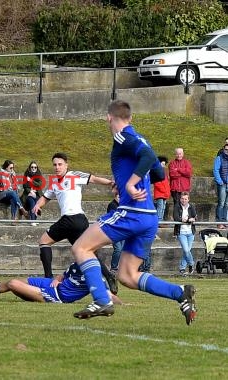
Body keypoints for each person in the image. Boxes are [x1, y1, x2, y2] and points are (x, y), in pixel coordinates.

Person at [70, 100, 196, 326]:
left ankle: (100, 300)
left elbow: (148, 158)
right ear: (131, 118)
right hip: (148, 216)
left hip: (132, 212)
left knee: (81, 247)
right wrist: (124, 181)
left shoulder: (121, 137)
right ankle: (181, 293)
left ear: (109, 117)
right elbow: (158, 173)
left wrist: (130, 184)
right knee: (127, 275)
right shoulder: (140, 138)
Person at [32, 152, 114, 283]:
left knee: (44, 241)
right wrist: (38, 205)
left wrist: (110, 183)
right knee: (87, 251)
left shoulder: (73, 175)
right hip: (79, 222)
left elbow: (93, 179)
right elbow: (46, 197)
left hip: (71, 218)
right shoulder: (54, 183)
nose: (57, 167)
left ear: (66, 165)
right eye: (55, 165)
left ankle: (48, 278)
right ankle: (109, 276)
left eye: (60, 164)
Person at [0, 262, 122, 305]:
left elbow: (107, 295)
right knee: (20, 279)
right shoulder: (77, 263)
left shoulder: (93, 275)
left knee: (12, 284)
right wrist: (56, 280)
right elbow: (63, 275)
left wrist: (123, 304)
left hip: (57, 296)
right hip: (53, 285)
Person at [173, 192, 197, 276]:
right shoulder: (177, 206)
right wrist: (187, 220)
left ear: (188, 199)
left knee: (186, 251)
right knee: (186, 250)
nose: (184, 200)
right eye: (182, 198)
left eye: (185, 199)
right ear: (180, 199)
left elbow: (194, 217)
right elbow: (176, 218)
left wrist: (191, 219)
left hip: (190, 232)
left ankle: (182, 268)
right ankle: (191, 264)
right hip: (181, 232)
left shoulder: (191, 207)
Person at [106, 184, 123, 273]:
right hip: (114, 231)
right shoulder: (112, 205)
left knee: (122, 249)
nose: (120, 198)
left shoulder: (123, 206)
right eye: (119, 196)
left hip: (122, 231)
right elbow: (111, 218)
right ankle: (113, 267)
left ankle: (119, 267)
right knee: (118, 249)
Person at [213, 143, 228, 230]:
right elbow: (215, 170)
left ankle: (225, 221)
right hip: (222, 184)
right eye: (226, 149)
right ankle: (219, 222)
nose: (227, 151)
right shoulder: (219, 158)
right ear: (223, 150)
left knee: (227, 204)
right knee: (221, 203)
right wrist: (220, 181)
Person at [153, 155, 171, 226]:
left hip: (164, 193)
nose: (163, 166)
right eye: (162, 164)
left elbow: (167, 184)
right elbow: (157, 183)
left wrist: (167, 191)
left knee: (163, 207)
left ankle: (161, 220)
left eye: (164, 164)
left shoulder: (165, 173)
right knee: (160, 207)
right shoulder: (157, 172)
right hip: (159, 194)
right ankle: (158, 220)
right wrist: (164, 190)